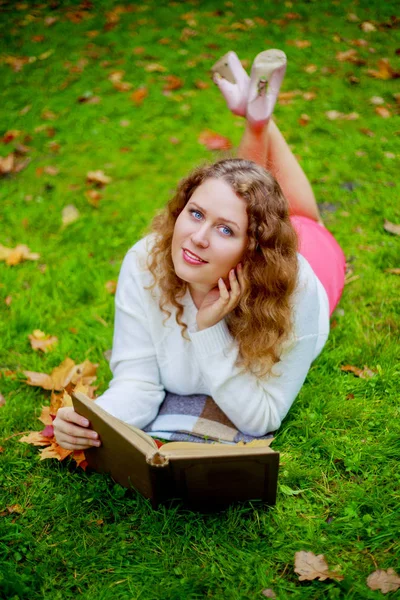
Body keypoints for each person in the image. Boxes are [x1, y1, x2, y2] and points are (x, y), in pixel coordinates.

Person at [54, 49, 346, 451]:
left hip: (314, 259)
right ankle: (257, 119)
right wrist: (93, 420)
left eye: (224, 230)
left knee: (307, 220)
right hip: (254, 229)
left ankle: (260, 119)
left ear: (253, 251)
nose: (197, 237)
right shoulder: (146, 262)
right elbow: (137, 382)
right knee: (237, 191)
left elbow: (260, 418)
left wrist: (209, 330)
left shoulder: (295, 290)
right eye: (194, 214)